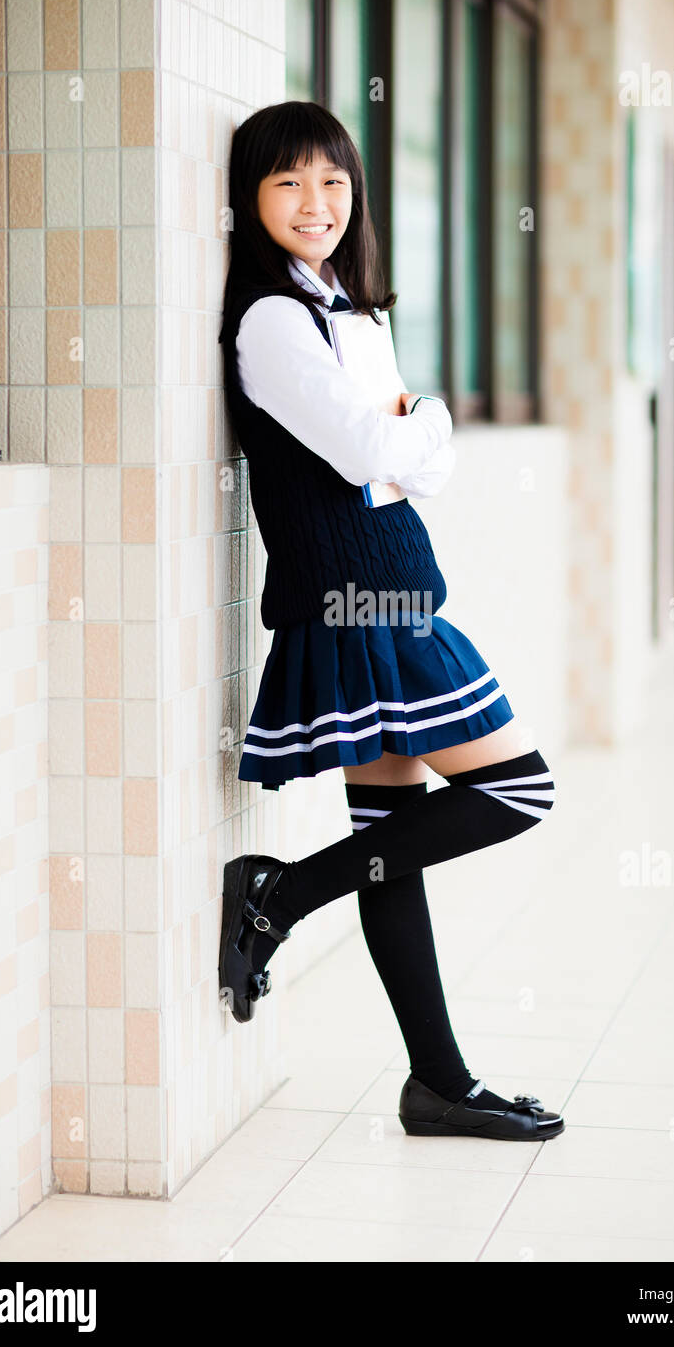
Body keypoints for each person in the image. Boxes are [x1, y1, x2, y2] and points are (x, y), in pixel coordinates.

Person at [216, 100, 564, 1143]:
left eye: (330, 180)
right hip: (356, 601)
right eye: (286, 183)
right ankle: (281, 897)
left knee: (391, 842)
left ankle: (438, 1083)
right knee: (519, 787)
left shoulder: (357, 315)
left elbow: (431, 464)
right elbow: (378, 454)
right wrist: (411, 429)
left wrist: (416, 431)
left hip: (402, 590)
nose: (314, 202)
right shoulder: (273, 321)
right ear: (253, 200)